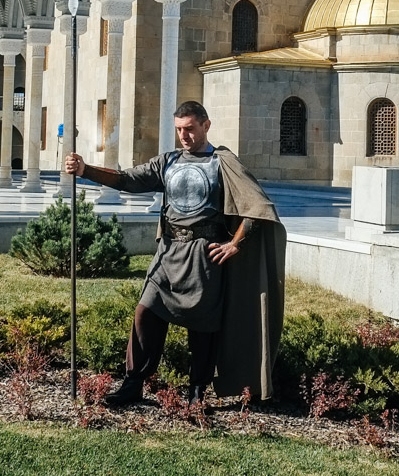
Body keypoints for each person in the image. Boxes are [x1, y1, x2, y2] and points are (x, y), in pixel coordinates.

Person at [64, 100, 286, 406]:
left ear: (206, 126)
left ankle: (197, 392)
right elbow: (127, 180)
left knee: (203, 327)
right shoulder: (167, 162)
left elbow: (258, 207)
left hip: (202, 257)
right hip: (168, 253)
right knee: (146, 312)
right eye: (180, 129)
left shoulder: (222, 163)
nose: (185, 136)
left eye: (190, 129)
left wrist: (234, 243)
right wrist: (86, 170)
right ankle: (133, 383)